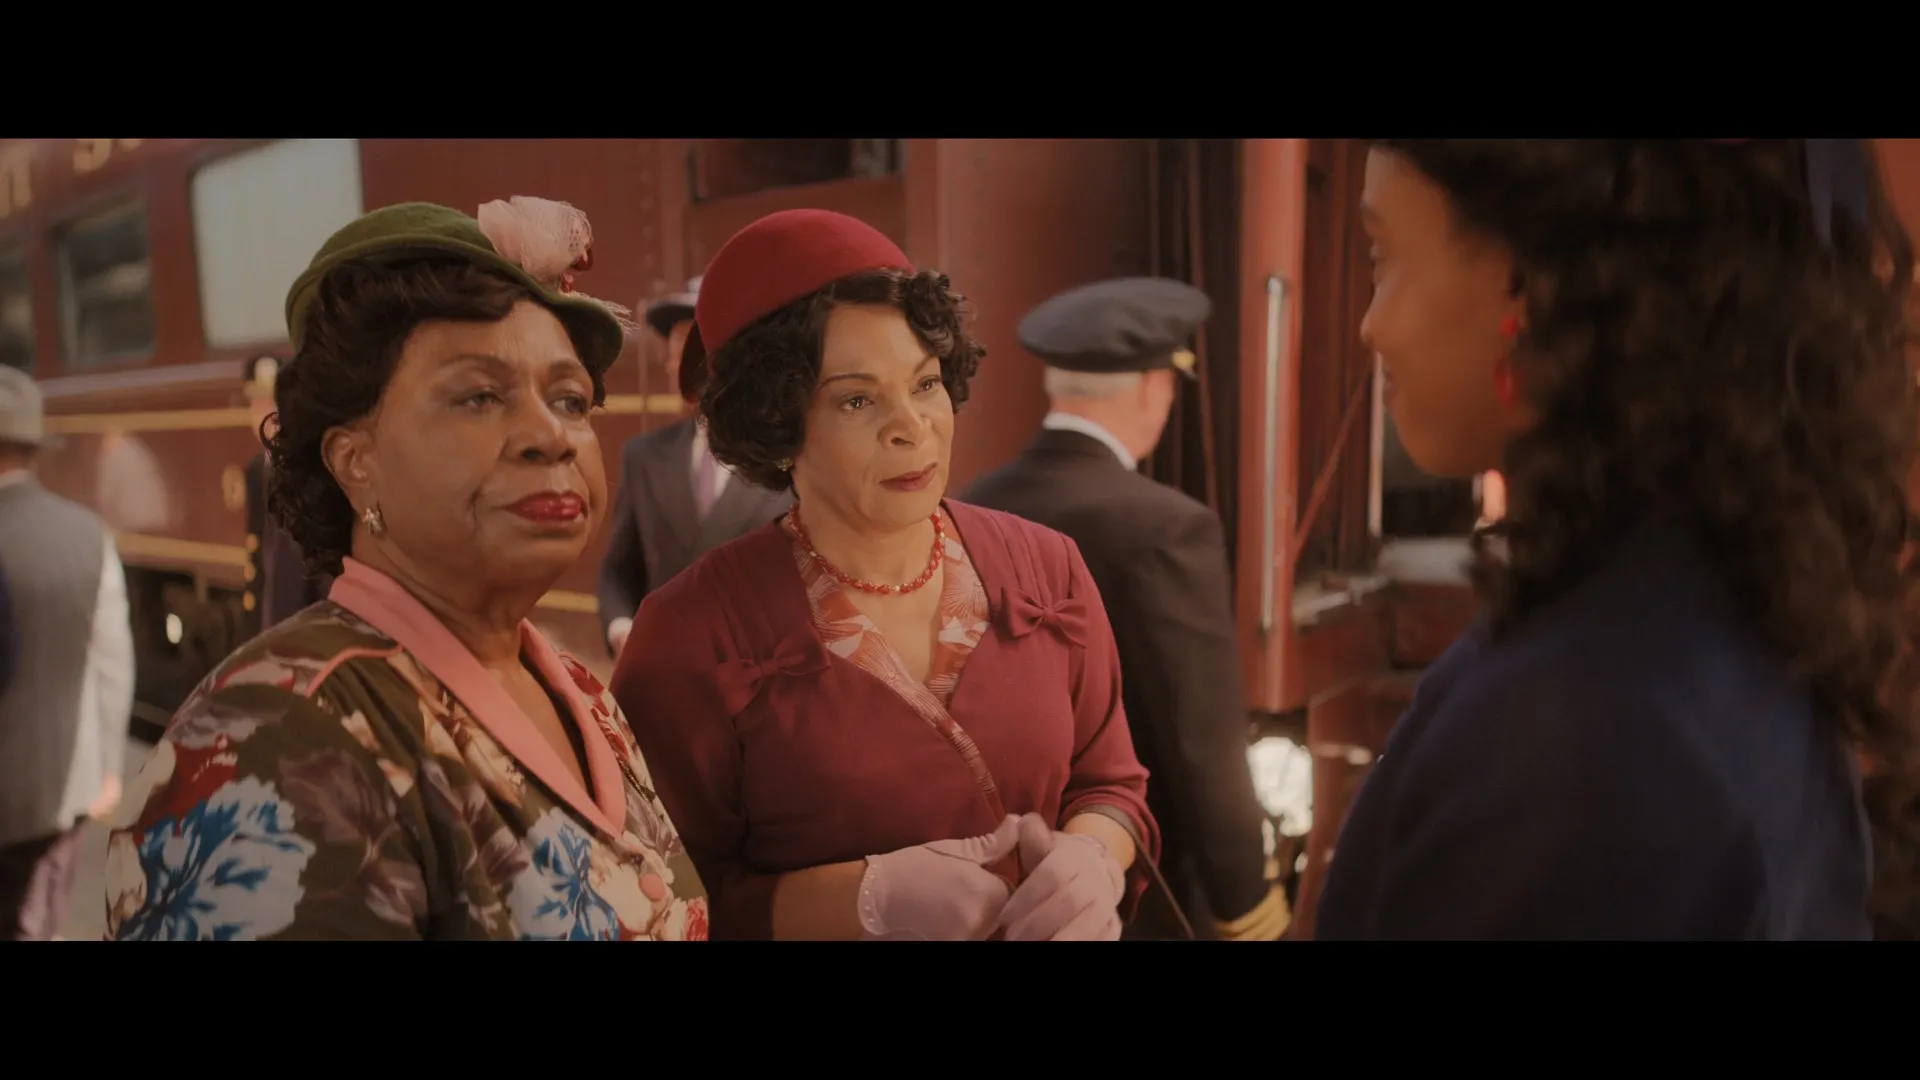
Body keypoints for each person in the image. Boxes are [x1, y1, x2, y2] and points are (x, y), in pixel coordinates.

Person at [1315, 138, 1920, 941]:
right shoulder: (1724, 602)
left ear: (1528, 276)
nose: (1369, 326)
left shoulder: (1577, 742)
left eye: (1381, 256)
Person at [103, 196, 709, 941]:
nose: (551, 435)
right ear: (354, 461)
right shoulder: (273, 741)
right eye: (478, 396)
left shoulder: (584, 696)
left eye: (570, 399)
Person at [612, 209, 1160, 941]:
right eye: (857, 399)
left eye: (925, 383)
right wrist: (859, 901)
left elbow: (1110, 782)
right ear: (777, 423)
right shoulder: (689, 635)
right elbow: (656, 898)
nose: (911, 426)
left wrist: (1095, 856)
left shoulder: (1047, 567)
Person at [962, 277, 1287, 942]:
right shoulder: (1168, 527)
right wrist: (1246, 905)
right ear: (1152, 387)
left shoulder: (973, 508)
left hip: (984, 879)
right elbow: (1201, 740)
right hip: (1127, 889)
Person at [0, 365, 134, 940]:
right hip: (71, 781)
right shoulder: (87, 532)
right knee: (44, 920)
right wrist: (109, 769)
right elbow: (112, 659)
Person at [596, 276, 794, 657]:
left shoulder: (789, 458)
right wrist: (621, 628)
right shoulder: (644, 457)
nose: (682, 363)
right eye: (677, 349)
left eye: (698, 348)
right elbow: (618, 572)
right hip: (663, 669)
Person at [240, 352, 330, 634]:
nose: (263, 411)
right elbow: (260, 565)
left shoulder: (308, 469)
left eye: (272, 402)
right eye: (257, 402)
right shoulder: (257, 470)